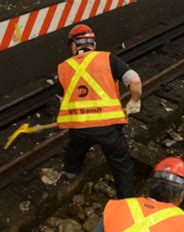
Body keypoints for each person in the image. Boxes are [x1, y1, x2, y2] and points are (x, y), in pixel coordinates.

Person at [56, 24, 143, 199]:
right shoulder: (109, 59)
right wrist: (134, 100)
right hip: (109, 128)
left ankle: (71, 172)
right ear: (93, 45)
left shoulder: (63, 68)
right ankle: (126, 200)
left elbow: (61, 99)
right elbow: (135, 81)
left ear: (73, 46)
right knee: (121, 165)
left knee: (75, 149)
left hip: (79, 127)